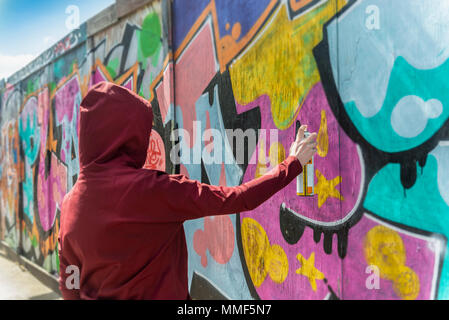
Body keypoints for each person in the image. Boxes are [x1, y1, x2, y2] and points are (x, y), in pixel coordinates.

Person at [58, 81, 318, 300]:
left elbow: (69, 282)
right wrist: (292, 164)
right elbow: (237, 198)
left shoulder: (69, 205)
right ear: (127, 136)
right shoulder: (153, 192)